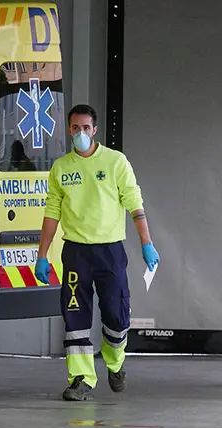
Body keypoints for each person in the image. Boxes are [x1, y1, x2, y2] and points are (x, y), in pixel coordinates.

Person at [34, 104, 161, 401]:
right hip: (76, 252)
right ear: (69, 130)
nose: (81, 133)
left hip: (110, 251)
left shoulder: (115, 162)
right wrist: (42, 254)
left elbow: (134, 203)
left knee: (116, 315)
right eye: (75, 128)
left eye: (86, 128)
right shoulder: (61, 168)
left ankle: (115, 364)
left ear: (95, 130)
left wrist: (146, 243)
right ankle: (81, 379)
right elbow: (52, 212)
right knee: (75, 314)